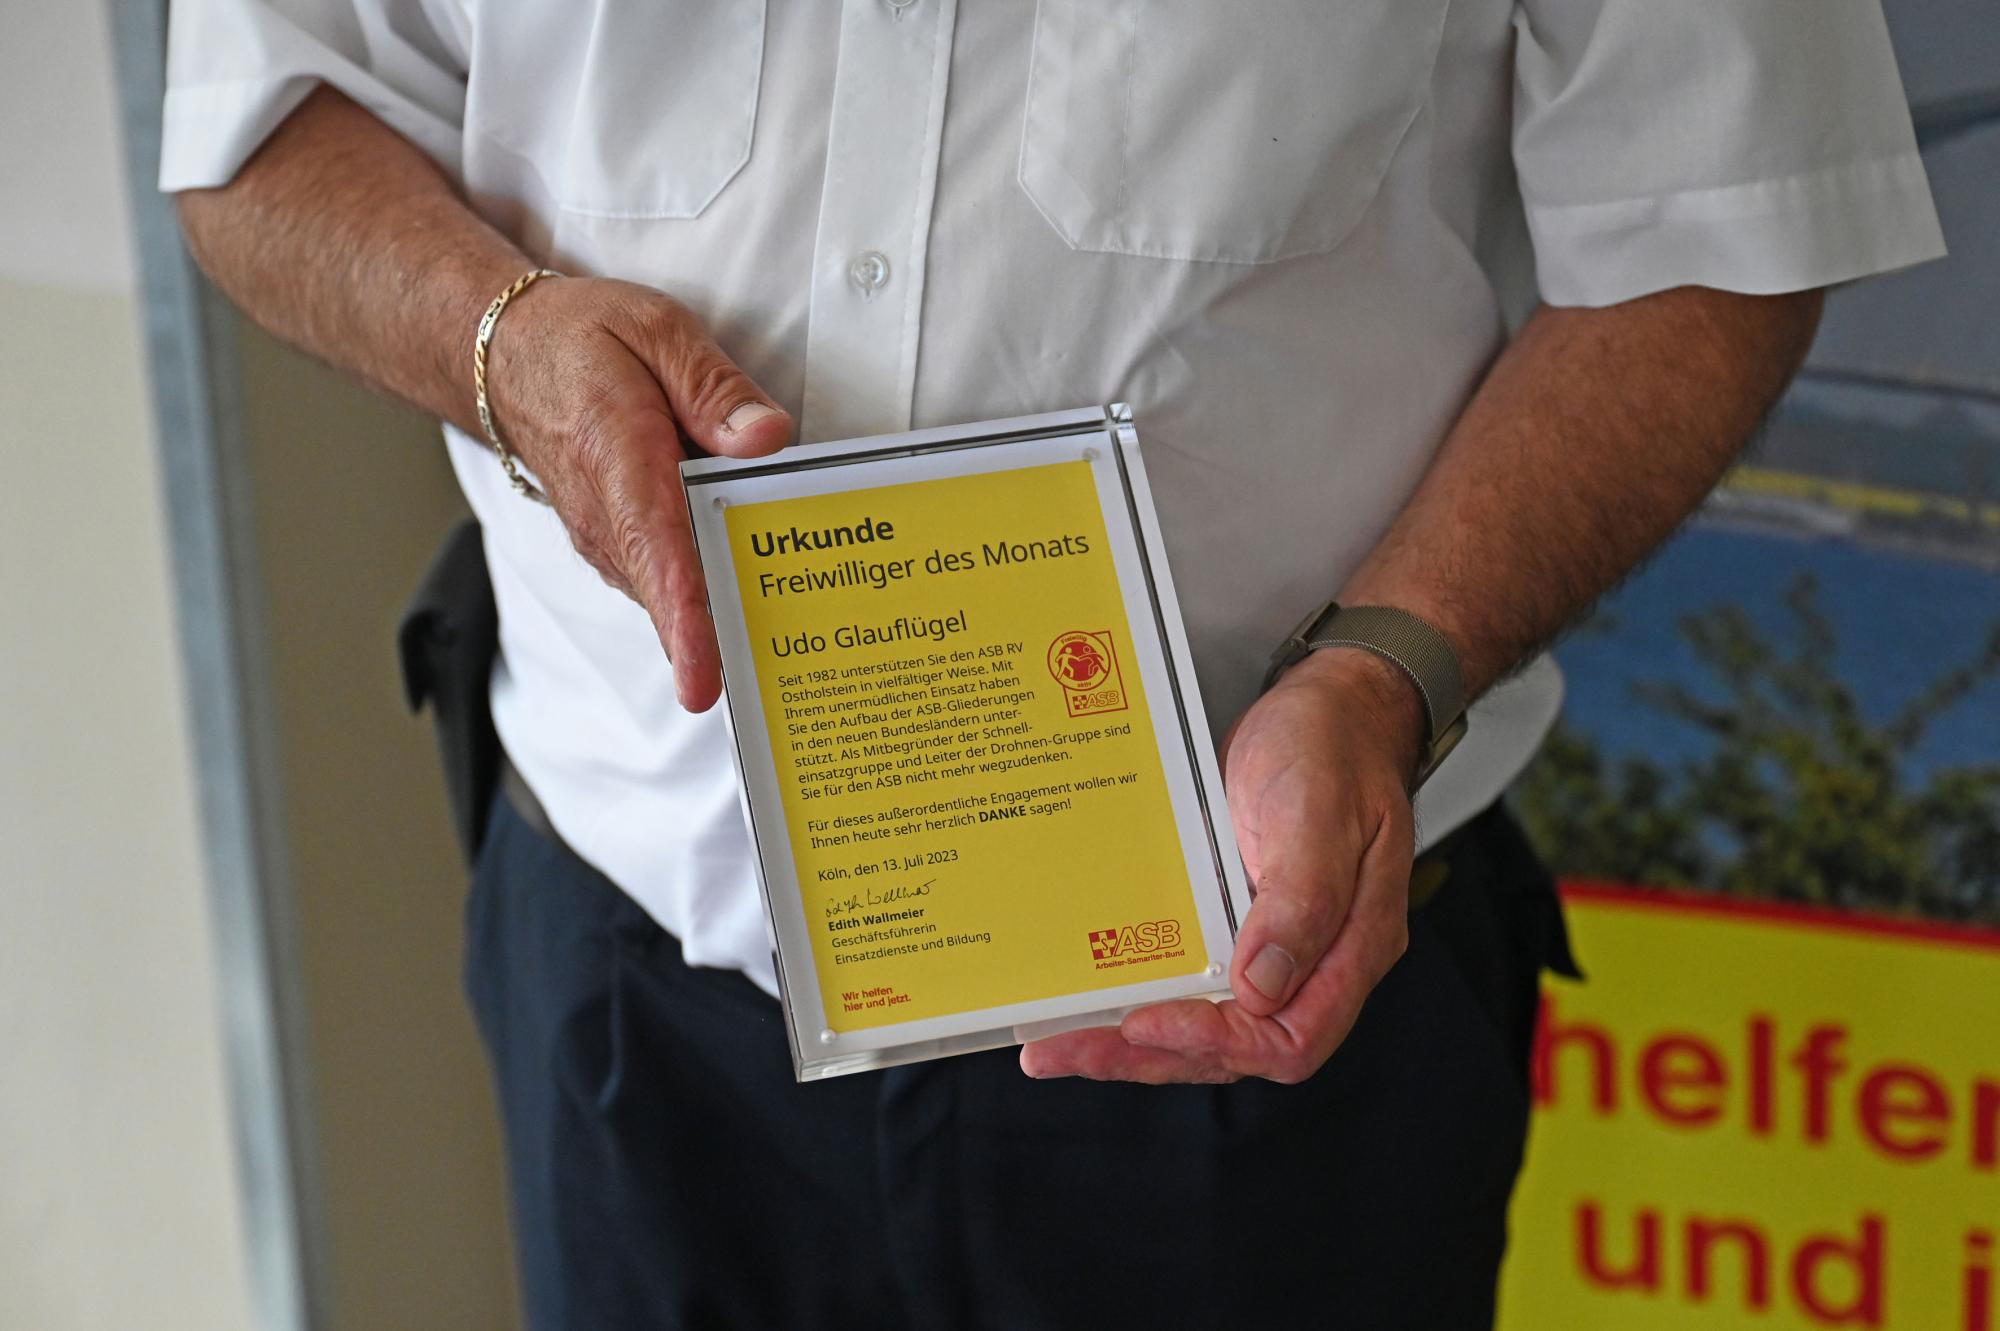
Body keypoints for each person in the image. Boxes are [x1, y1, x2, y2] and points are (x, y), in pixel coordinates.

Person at [161, 3, 1944, 1327]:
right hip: (634, 988)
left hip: (1263, 1005)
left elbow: (1724, 230)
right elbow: (261, 122)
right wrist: (503, 341)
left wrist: (1384, 671)